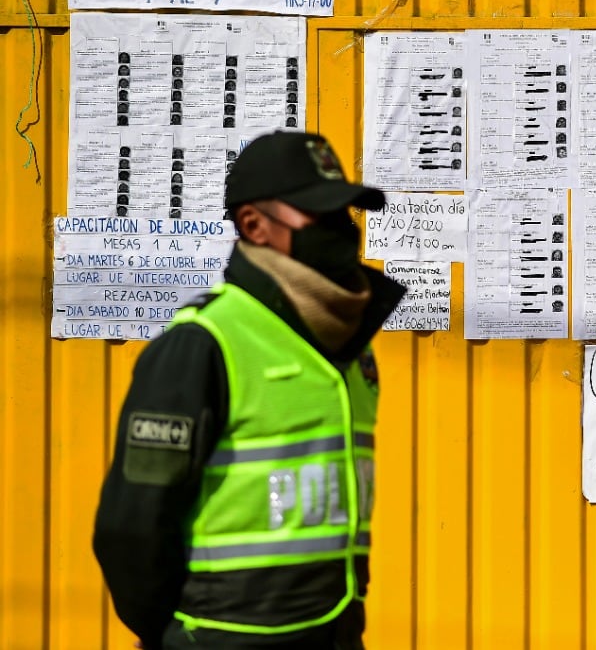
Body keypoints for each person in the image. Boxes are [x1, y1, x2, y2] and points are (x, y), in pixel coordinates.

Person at [93, 131, 406, 650]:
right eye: (320, 214)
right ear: (254, 225)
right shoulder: (203, 343)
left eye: (343, 212)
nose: (340, 228)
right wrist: (178, 635)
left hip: (334, 634)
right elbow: (132, 528)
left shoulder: (347, 341)